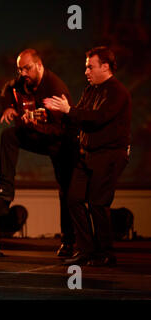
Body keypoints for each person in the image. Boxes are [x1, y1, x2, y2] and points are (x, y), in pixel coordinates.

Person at [44, 46, 131, 266]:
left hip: (110, 154)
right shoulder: (90, 90)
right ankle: (86, 249)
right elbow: (77, 117)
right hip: (88, 154)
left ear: (105, 66)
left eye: (90, 67)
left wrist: (69, 110)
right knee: (73, 198)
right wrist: (52, 114)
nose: (86, 72)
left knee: (97, 203)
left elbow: (98, 118)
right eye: (86, 67)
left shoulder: (117, 92)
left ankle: (105, 253)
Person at [0, 49, 78, 257]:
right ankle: (6, 187)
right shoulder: (22, 81)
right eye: (19, 69)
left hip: (60, 143)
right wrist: (8, 106)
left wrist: (35, 124)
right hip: (38, 135)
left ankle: (69, 240)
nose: (23, 73)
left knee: (65, 191)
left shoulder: (55, 88)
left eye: (26, 68)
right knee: (9, 135)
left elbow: (60, 130)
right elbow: (6, 88)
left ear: (39, 65)